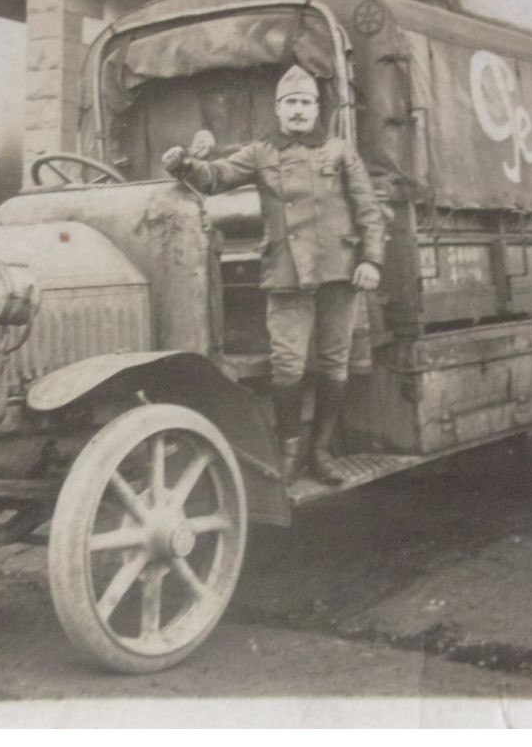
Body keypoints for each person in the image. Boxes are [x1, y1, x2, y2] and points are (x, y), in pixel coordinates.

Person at [162, 65, 386, 485]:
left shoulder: (340, 151)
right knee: (288, 365)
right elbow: (217, 178)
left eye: (306, 103)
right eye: (291, 104)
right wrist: (186, 166)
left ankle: (320, 452)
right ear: (279, 110)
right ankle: (289, 451)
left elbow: (368, 210)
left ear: (317, 109)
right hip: (285, 274)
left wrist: (370, 260)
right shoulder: (261, 152)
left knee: (334, 362)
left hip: (339, 273)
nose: (299, 111)